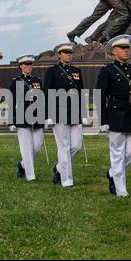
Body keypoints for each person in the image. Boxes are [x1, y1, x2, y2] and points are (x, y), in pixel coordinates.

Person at [96, 35, 131, 197]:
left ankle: (112, 173)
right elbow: (100, 96)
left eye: (127, 48)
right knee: (117, 153)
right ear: (113, 51)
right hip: (116, 114)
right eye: (122, 48)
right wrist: (102, 121)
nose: (126, 50)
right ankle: (120, 188)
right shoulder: (107, 71)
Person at [44, 43, 85, 188]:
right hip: (58, 112)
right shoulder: (52, 71)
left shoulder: (76, 71)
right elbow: (47, 93)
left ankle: (59, 168)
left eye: (70, 52)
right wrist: (48, 115)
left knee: (77, 145)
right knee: (64, 146)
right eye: (66, 52)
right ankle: (66, 180)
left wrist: (83, 112)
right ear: (59, 55)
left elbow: (80, 93)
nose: (69, 55)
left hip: (75, 112)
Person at [9, 55, 45, 182]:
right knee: (26, 147)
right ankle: (31, 176)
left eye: (30, 64)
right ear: (20, 66)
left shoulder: (38, 80)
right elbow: (11, 101)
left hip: (37, 115)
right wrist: (11, 121)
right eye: (25, 65)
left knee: (37, 146)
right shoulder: (16, 81)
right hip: (22, 115)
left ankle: (23, 165)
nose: (28, 67)